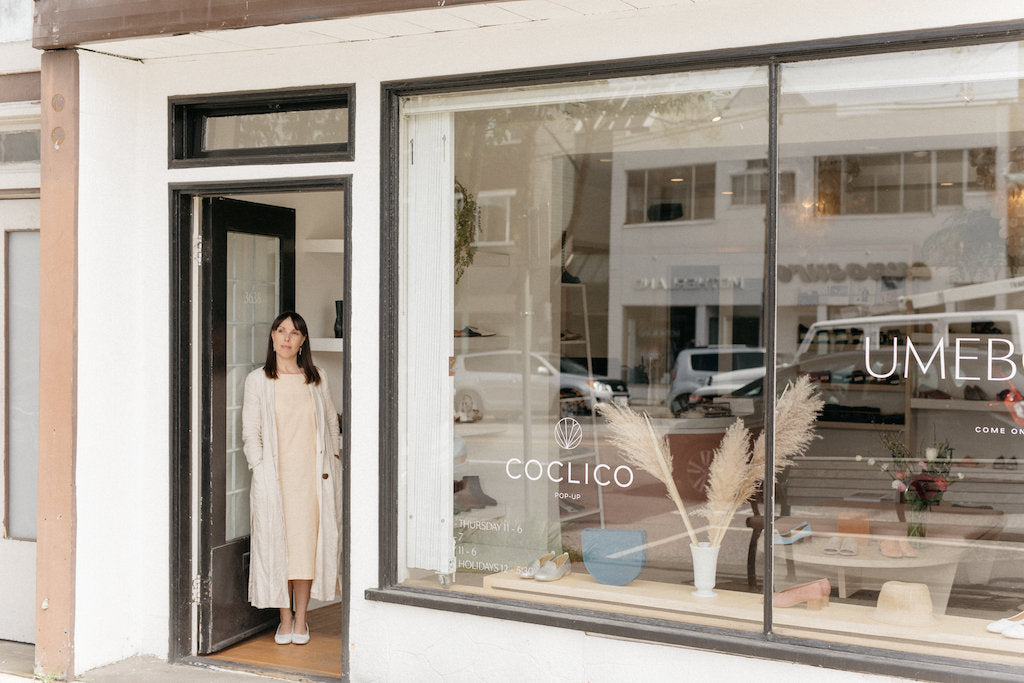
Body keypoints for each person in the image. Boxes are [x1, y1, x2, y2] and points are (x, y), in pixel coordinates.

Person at [242, 311, 341, 646]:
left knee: (305, 549)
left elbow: (331, 423)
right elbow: (250, 433)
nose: (286, 338)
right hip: (276, 479)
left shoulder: (317, 378)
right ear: (272, 337)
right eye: (281, 331)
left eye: (294, 333)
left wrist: (336, 456)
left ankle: (302, 617)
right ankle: (283, 618)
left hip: (312, 480)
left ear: (302, 341)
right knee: (279, 547)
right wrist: (259, 467)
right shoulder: (258, 380)